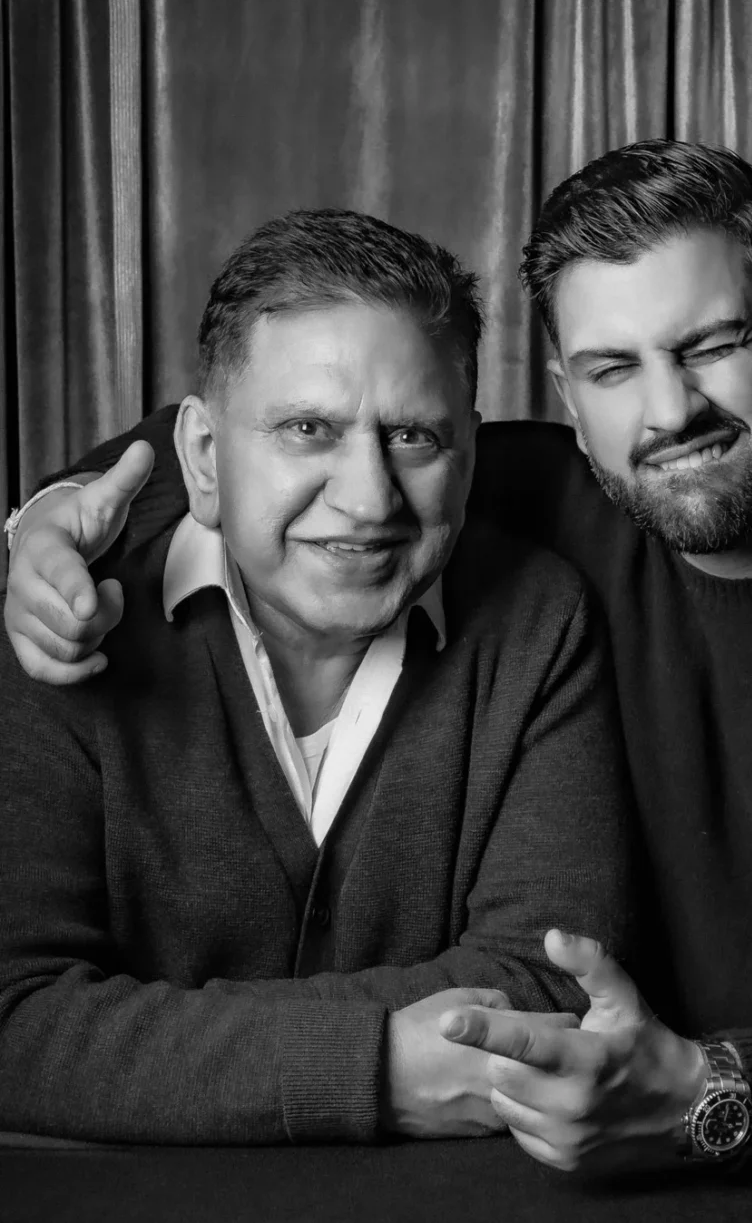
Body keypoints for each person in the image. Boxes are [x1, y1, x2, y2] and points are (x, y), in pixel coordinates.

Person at [5, 140, 752, 1174]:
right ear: (567, 397)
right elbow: (272, 432)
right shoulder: (539, 485)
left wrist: (715, 1092)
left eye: (712, 344)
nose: (667, 412)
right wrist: (47, 524)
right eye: (613, 367)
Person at [0, 209, 636, 1144]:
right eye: (307, 429)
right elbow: (15, 1019)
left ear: (470, 453)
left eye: (415, 437)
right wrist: (368, 1064)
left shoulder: (539, 622)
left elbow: (547, 982)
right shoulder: (65, 622)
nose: (370, 496)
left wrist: (162, 1053)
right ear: (206, 460)